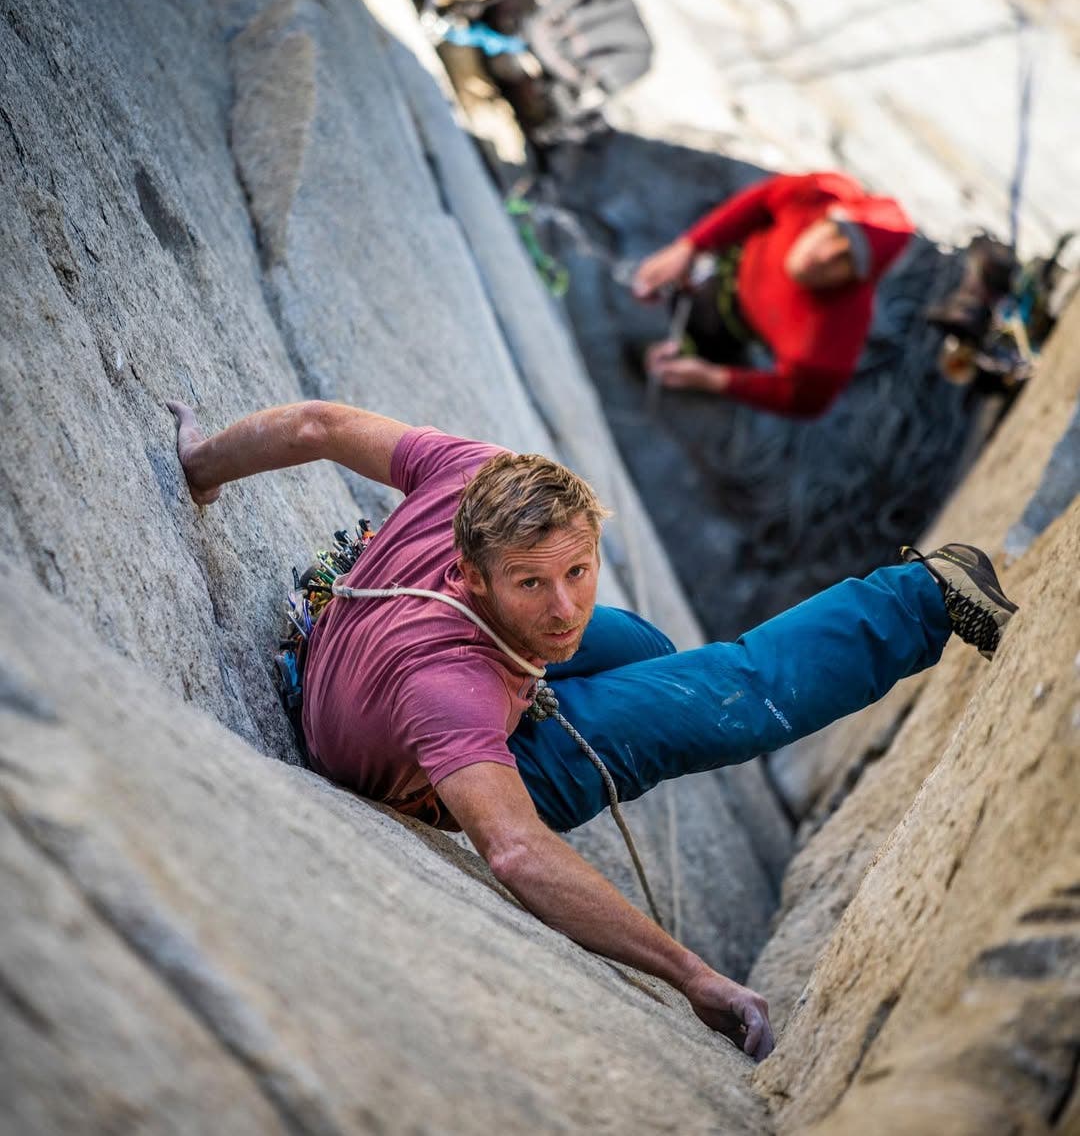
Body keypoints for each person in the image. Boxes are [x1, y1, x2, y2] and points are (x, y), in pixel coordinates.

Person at [167, 398, 1018, 1061]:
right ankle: (924, 598)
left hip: (347, 642)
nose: (565, 606)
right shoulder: (448, 690)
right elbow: (515, 850)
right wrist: (692, 976)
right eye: (531, 582)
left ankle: (552, 671)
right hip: (425, 737)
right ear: (470, 573)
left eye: (579, 570)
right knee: (727, 695)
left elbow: (317, 426)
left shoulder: (477, 474)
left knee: (647, 651)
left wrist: (202, 464)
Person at [631, 170, 915, 418]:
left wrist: (714, 379)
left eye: (846, 260)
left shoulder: (834, 334)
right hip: (724, 265)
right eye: (837, 234)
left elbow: (806, 401)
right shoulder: (815, 195)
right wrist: (690, 246)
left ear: (858, 281)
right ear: (827, 217)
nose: (824, 256)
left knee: (655, 359)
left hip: (727, 328)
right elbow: (762, 199)